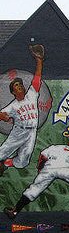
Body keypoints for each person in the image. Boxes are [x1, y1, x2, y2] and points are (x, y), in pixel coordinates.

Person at [3, 140, 69, 219]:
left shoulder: (55, 147)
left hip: (51, 167)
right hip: (68, 170)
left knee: (34, 189)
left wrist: (40, 168)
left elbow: (43, 156)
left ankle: (15, 211)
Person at [0, 44, 45, 175]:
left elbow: (37, 77)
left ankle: (6, 163)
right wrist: (4, 117)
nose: (19, 86)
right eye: (16, 85)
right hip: (18, 133)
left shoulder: (31, 94)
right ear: (13, 92)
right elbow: (3, 114)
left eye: (20, 84)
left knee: (23, 162)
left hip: (31, 132)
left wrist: (39, 61)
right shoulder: (13, 106)